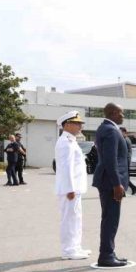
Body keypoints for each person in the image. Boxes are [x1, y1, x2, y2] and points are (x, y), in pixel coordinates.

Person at [92, 103, 130, 268]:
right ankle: (106, 256)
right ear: (114, 113)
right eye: (122, 113)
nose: (123, 116)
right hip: (110, 183)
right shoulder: (111, 130)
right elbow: (110, 160)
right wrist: (117, 184)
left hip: (108, 181)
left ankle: (109, 253)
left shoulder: (106, 128)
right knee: (110, 220)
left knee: (109, 218)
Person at [54, 111, 90, 260]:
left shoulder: (71, 140)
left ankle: (75, 247)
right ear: (67, 124)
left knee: (76, 218)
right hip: (70, 189)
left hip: (75, 188)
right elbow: (65, 167)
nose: (80, 126)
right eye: (77, 123)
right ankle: (68, 250)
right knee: (69, 219)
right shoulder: (65, 142)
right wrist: (70, 189)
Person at [119, 127, 136, 195]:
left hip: (125, 161)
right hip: (125, 160)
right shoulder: (125, 139)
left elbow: (124, 152)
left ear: (124, 132)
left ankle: (132, 188)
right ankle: (130, 189)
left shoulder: (125, 140)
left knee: (123, 177)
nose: (119, 133)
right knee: (123, 177)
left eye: (120, 132)